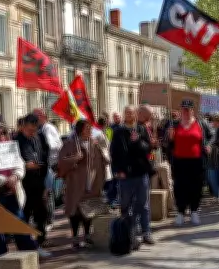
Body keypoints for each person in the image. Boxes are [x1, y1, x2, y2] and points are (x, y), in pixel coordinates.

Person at [0, 121, 36, 255]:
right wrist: (4, 180)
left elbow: (20, 164)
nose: (1, 136)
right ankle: (0, 254)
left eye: (3, 133)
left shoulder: (11, 147)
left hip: (12, 190)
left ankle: (28, 250)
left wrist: (15, 177)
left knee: (18, 220)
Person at [58, 119, 109, 248]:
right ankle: (75, 237)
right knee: (75, 211)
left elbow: (103, 160)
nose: (90, 130)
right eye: (87, 128)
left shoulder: (94, 143)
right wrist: (75, 158)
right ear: (80, 129)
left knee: (89, 209)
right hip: (75, 183)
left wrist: (104, 154)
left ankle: (87, 235)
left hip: (91, 182)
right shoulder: (70, 144)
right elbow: (61, 163)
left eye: (90, 128)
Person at [111, 105, 155, 244]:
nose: (129, 115)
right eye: (127, 113)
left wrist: (138, 142)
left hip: (140, 172)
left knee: (143, 204)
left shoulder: (141, 129)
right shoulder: (118, 131)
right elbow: (114, 153)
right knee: (126, 205)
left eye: (131, 113)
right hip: (126, 175)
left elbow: (148, 148)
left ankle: (146, 232)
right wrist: (117, 171)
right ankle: (130, 233)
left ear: (135, 114)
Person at [167, 99, 211, 226]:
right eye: (183, 109)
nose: (185, 111)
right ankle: (180, 212)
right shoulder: (174, 124)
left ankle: (194, 211)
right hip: (179, 161)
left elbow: (212, 136)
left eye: (188, 109)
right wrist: (170, 138)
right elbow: (168, 144)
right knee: (180, 186)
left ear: (193, 110)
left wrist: (208, 145)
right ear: (180, 110)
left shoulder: (201, 123)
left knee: (196, 186)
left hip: (196, 161)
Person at [17, 113, 52, 256]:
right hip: (24, 182)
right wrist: (27, 166)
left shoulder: (40, 138)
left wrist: (44, 179)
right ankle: (26, 244)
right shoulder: (17, 140)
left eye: (34, 130)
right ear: (23, 127)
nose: (32, 133)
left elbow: (45, 157)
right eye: (29, 130)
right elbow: (19, 162)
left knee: (42, 212)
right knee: (24, 213)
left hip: (39, 181)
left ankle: (41, 239)